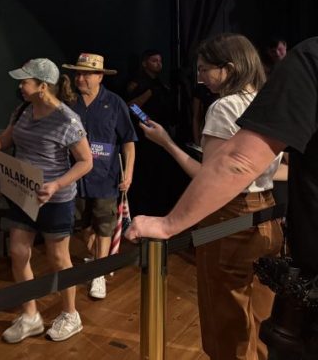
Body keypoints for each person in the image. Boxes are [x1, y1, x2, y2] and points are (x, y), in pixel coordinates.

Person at [126, 36, 318, 358]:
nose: (200, 79)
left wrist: (167, 145)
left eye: (205, 70)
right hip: (266, 213)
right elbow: (275, 170)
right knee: (258, 317)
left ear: (228, 69)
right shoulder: (260, 99)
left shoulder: (223, 106)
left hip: (229, 217)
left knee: (226, 324)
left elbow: (223, 169)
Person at [0, 58, 93, 344]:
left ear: (42, 86)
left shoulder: (67, 119)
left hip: (56, 199)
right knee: (18, 252)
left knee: (59, 258)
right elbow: (4, 141)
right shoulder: (23, 109)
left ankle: (70, 314)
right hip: (24, 193)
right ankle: (30, 315)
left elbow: (86, 162)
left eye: (25, 81)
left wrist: (57, 184)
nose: (20, 86)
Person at [62, 53, 136, 300]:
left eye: (86, 74)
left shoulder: (115, 103)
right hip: (74, 177)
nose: (80, 78)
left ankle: (99, 274)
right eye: (78, 73)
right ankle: (96, 259)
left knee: (104, 224)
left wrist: (130, 174)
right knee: (83, 225)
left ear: (99, 77)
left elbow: (128, 143)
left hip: (106, 177)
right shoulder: (68, 103)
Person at [127, 49, 183, 216]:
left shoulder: (162, 84)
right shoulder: (138, 83)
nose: (158, 64)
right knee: (145, 175)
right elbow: (131, 106)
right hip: (145, 137)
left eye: (160, 61)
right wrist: (147, 120)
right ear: (145, 63)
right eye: (154, 61)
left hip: (163, 136)